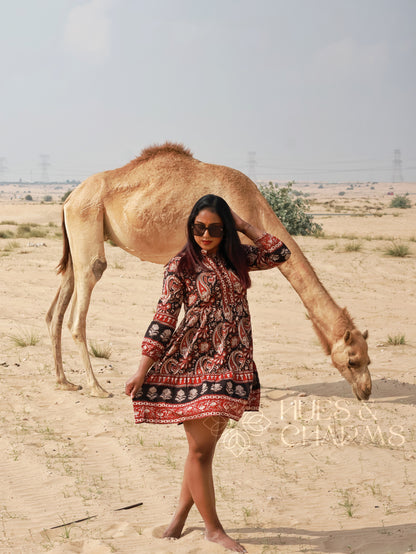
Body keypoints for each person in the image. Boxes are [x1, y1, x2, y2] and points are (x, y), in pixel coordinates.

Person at [125, 194, 291, 552]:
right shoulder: (178, 267)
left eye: (215, 228)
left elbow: (280, 252)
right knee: (200, 451)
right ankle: (212, 529)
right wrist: (143, 368)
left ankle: (180, 518)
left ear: (225, 229)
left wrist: (244, 225)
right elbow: (164, 318)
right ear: (190, 227)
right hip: (192, 363)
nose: (205, 235)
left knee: (204, 450)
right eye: (199, 227)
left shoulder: (239, 258)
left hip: (233, 361)